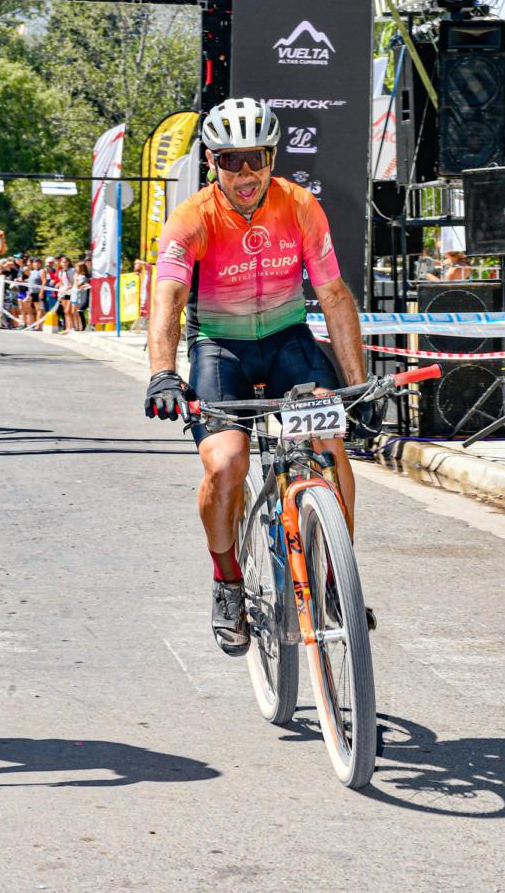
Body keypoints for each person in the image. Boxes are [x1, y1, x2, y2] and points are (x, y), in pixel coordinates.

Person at [144, 97, 379, 658]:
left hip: (287, 342)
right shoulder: (192, 217)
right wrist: (162, 374)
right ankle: (227, 582)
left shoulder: (299, 205)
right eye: (231, 160)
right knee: (226, 463)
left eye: (257, 158)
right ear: (212, 162)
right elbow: (167, 300)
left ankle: (335, 579)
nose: (246, 173)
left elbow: (333, 295)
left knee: (329, 439)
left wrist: (358, 384)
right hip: (221, 349)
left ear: (273, 157)